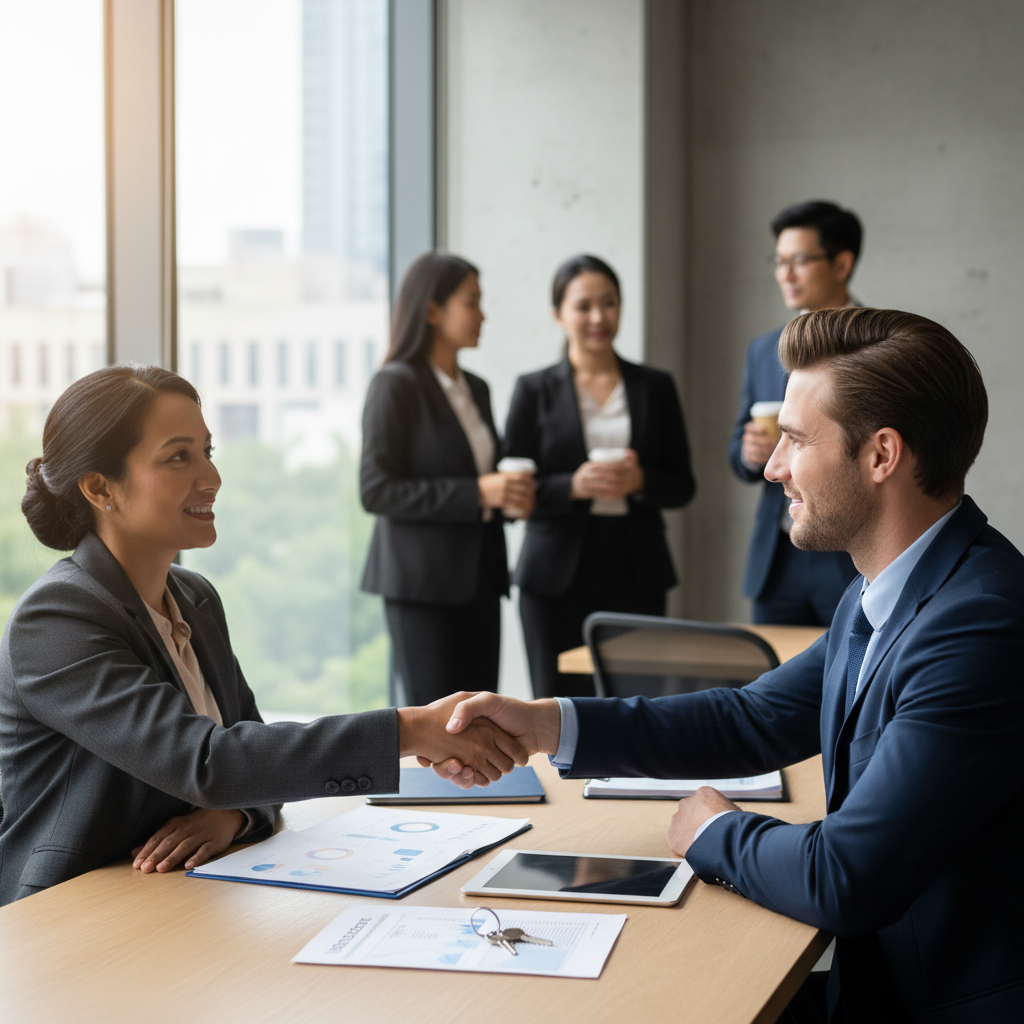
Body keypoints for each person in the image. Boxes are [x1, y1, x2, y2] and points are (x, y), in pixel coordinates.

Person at [439, 308, 1023, 1022]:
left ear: (881, 456)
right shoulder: (887, 588)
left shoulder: (979, 622)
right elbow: (753, 716)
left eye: (798, 440)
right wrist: (543, 725)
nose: (773, 465)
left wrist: (717, 832)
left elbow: (846, 877)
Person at [0, 364, 526, 906]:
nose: (211, 477)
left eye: (208, 451)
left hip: (177, 899)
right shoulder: (57, 617)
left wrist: (233, 814)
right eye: (179, 456)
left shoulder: (194, 597)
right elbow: (210, 762)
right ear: (99, 488)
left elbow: (252, 756)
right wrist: (411, 730)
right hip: (69, 913)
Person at [503, 254, 695, 698]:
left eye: (609, 303)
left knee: (636, 704)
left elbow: (683, 484)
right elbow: (512, 488)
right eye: (583, 306)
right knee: (554, 705)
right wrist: (572, 485)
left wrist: (640, 481)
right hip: (554, 571)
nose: (598, 317)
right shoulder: (533, 389)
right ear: (558, 315)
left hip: (635, 564)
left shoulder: (655, 386)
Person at [359, 252, 534, 705]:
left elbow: (482, 478)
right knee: (437, 726)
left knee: (480, 719)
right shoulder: (395, 384)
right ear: (432, 310)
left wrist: (506, 497)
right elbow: (376, 489)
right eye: (471, 302)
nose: (483, 315)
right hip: (422, 587)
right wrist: (479, 492)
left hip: (480, 579)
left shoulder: (476, 388)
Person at [729, 200, 861, 625]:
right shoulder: (764, 349)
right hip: (778, 558)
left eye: (799, 261)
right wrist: (751, 453)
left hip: (846, 549)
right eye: (779, 261)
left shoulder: (875, 345)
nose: (785, 274)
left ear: (841, 264)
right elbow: (738, 453)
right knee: (771, 687)